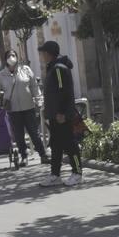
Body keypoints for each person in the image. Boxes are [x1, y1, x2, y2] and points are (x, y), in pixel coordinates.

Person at [37, 41, 81, 187]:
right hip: (54, 115)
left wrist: (61, 112)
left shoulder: (58, 69)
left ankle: (77, 173)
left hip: (61, 116)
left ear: (48, 53)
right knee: (56, 145)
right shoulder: (53, 68)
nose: (41, 56)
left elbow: (64, 92)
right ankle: (55, 175)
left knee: (70, 145)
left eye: (43, 53)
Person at [0, 49, 46, 166]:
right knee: (19, 135)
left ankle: (43, 155)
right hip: (13, 110)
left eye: (13, 55)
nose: (12, 57)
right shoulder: (1, 75)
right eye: (9, 56)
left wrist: (39, 100)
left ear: (17, 57)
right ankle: (24, 157)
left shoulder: (25, 70)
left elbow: (34, 87)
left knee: (34, 134)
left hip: (29, 108)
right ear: (5, 59)